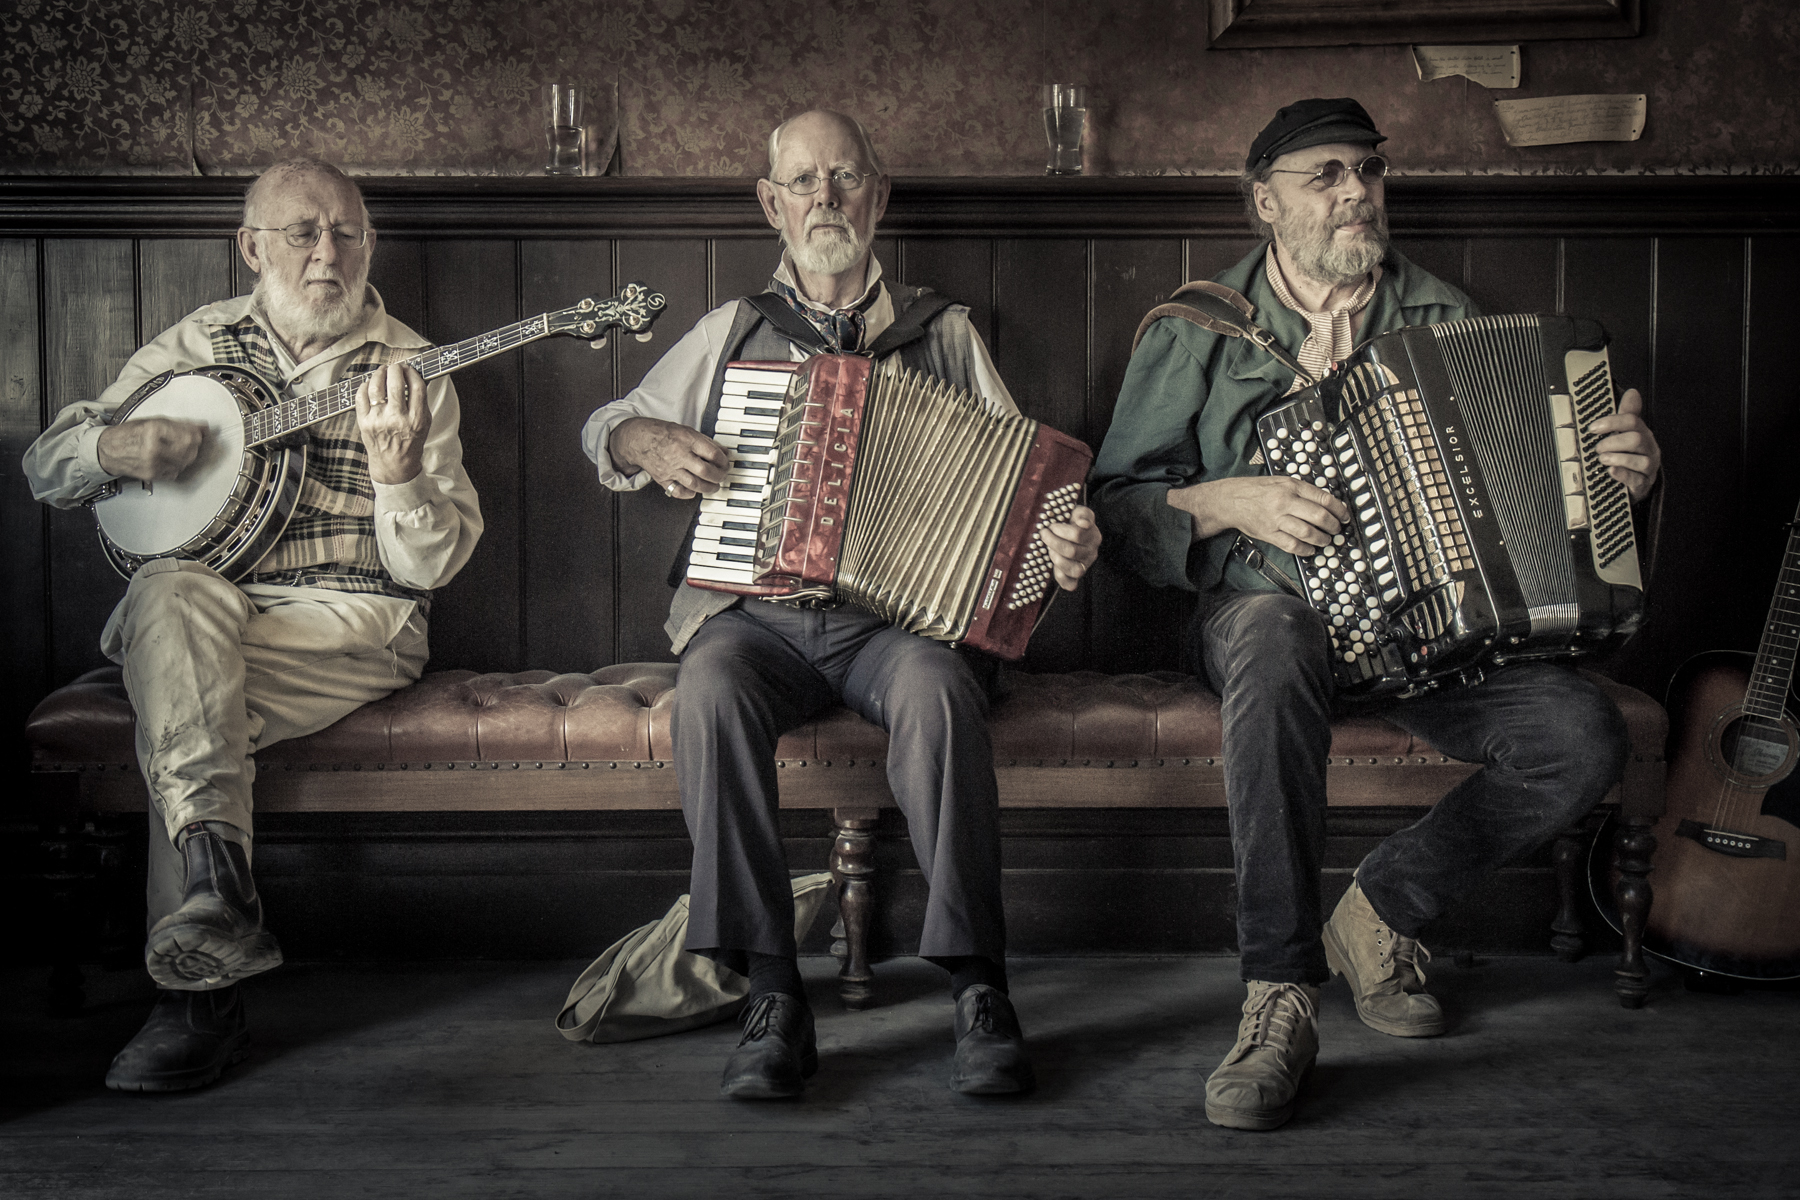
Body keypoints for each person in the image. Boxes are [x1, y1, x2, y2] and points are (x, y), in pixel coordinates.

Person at [1091, 98, 1662, 1131]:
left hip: (1428, 635)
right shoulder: (1199, 327)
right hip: (1261, 614)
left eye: (1369, 171)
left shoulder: (1445, 319)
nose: (1358, 192)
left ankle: (1384, 906)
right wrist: (1223, 497)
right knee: (1273, 634)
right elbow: (1116, 503)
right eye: (1327, 176)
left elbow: (1548, 502)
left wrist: (1622, 474)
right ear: (1267, 203)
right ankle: (1277, 989)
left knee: (1583, 737)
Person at [581, 109, 1101, 1099]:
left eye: (846, 178)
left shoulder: (943, 334)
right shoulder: (733, 330)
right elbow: (608, 420)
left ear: (879, 196)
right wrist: (646, 444)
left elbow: (1028, 485)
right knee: (710, 693)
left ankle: (978, 986)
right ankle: (774, 994)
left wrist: (1065, 537)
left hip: (891, 629)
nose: (826, 198)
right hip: (757, 621)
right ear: (773, 204)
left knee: (944, 695)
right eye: (805, 181)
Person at [23, 158, 482, 1092]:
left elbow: (431, 566)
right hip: (205, 614)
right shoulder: (194, 345)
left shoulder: (413, 369)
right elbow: (48, 463)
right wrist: (111, 445)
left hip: (350, 626)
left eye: (348, 233)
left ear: (370, 245)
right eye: (303, 233)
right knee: (168, 602)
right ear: (252, 248)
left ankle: (196, 997)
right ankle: (214, 906)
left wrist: (398, 477)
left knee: (181, 702)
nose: (329, 254)